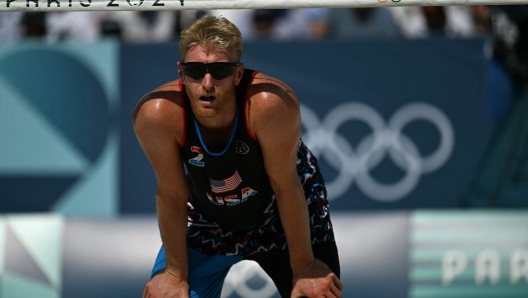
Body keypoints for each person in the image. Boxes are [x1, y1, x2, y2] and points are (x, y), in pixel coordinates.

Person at [133, 15, 342, 298]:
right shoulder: (157, 113)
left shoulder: (269, 103)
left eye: (220, 71)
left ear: (238, 74)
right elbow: (171, 193)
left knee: (315, 292)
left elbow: (286, 185)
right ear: (181, 72)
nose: (207, 83)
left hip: (280, 212)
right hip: (208, 216)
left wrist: (304, 266)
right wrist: (173, 274)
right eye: (196, 70)